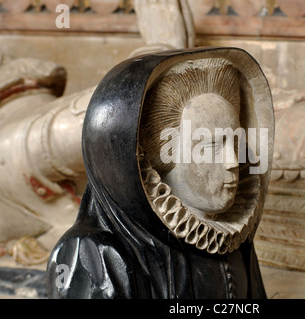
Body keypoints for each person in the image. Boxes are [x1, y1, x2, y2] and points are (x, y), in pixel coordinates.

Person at [46, 47, 274, 299]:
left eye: (235, 143)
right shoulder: (93, 255)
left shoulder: (232, 241)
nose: (233, 162)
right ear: (159, 156)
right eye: (210, 146)